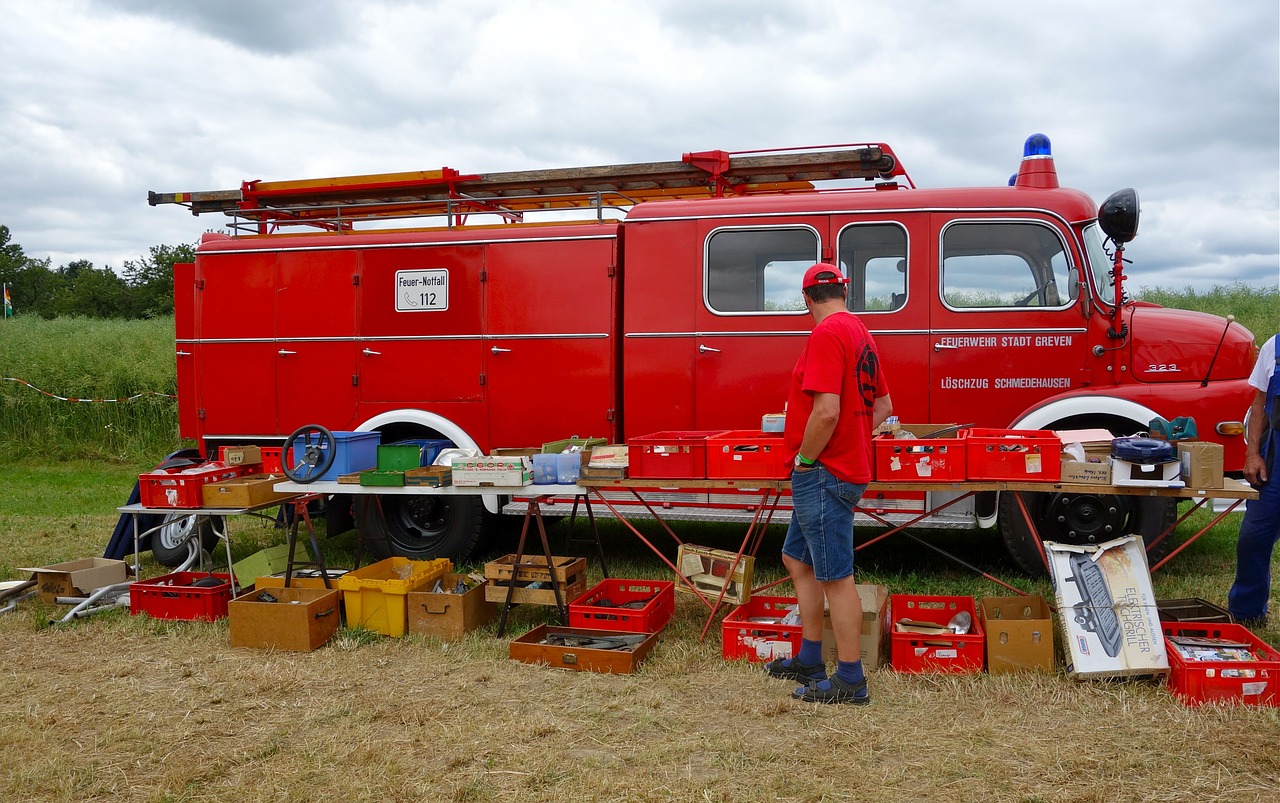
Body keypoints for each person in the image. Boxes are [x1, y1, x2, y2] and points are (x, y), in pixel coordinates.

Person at [766, 262, 892, 704]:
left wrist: (805, 459)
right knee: (796, 560)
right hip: (839, 469)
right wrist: (850, 443)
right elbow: (883, 407)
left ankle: (851, 680)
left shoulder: (825, 334)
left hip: (821, 473)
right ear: (844, 290)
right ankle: (810, 658)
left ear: (806, 300)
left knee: (837, 578)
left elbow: (825, 412)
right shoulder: (861, 332)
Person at [1228, 334, 1279, 628]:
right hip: (1275, 462)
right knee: (1253, 538)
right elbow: (1259, 405)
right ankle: (1247, 613)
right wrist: (1252, 454)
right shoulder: (1275, 346)